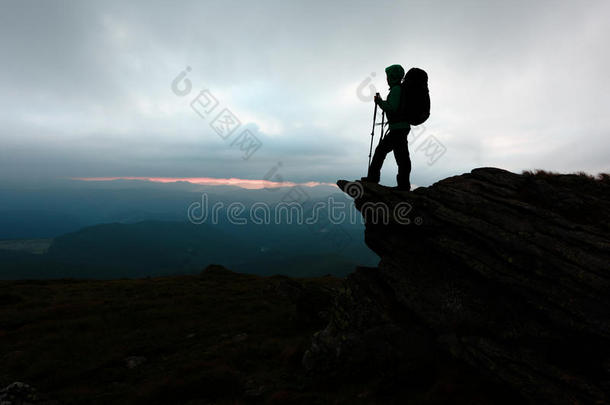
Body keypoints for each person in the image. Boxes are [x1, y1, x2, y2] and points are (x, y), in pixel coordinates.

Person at [362, 64, 411, 191]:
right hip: (400, 127)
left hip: (397, 129)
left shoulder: (396, 90)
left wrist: (379, 102)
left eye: (388, 76)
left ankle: (375, 179)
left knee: (384, 153)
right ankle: (403, 184)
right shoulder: (400, 89)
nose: (387, 79)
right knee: (401, 156)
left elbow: (392, 109)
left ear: (393, 77)